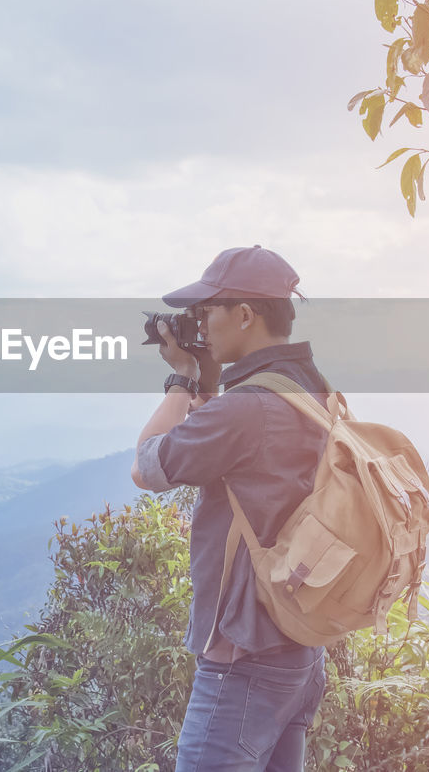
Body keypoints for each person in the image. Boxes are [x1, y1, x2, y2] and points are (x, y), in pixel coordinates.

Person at [131, 245, 329, 772]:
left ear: (245, 315)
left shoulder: (248, 408)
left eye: (207, 311)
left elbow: (148, 466)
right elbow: (244, 460)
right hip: (298, 652)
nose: (200, 323)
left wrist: (180, 379)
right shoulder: (312, 390)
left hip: (244, 659)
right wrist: (210, 380)